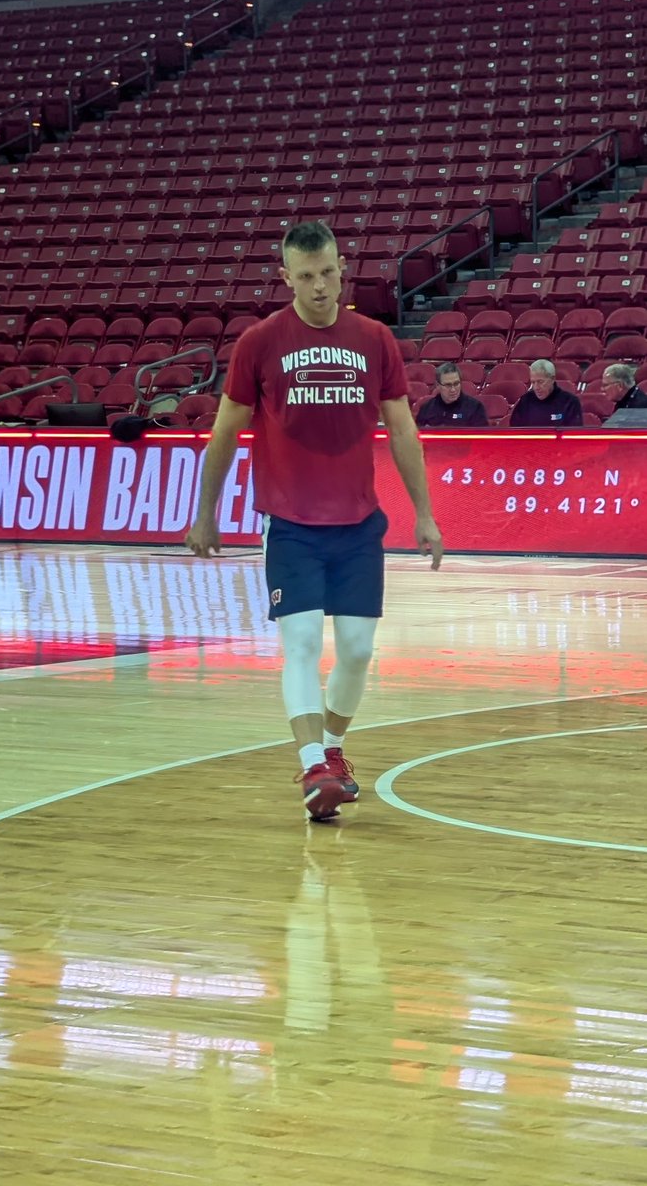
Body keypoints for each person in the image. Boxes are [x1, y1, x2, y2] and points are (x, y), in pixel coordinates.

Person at [185, 220, 443, 821]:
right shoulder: (259, 341)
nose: (320, 286)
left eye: (328, 272)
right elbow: (226, 430)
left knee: (355, 652)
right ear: (287, 278)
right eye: (306, 276)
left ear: (341, 267)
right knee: (300, 645)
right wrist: (206, 512)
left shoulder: (375, 338)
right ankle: (310, 765)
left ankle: (331, 750)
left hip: (358, 525)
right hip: (291, 523)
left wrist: (425, 513)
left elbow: (402, 429)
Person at [509, 359, 582, 427]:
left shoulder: (570, 402)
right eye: (533, 382)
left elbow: (573, 434)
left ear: (552, 379)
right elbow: (515, 431)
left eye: (540, 382)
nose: (536, 387)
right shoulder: (525, 401)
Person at [415, 361, 488, 428]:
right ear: (438, 385)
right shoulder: (426, 408)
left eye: (456, 384)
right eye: (448, 385)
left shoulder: (475, 408)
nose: (453, 389)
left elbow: (482, 438)